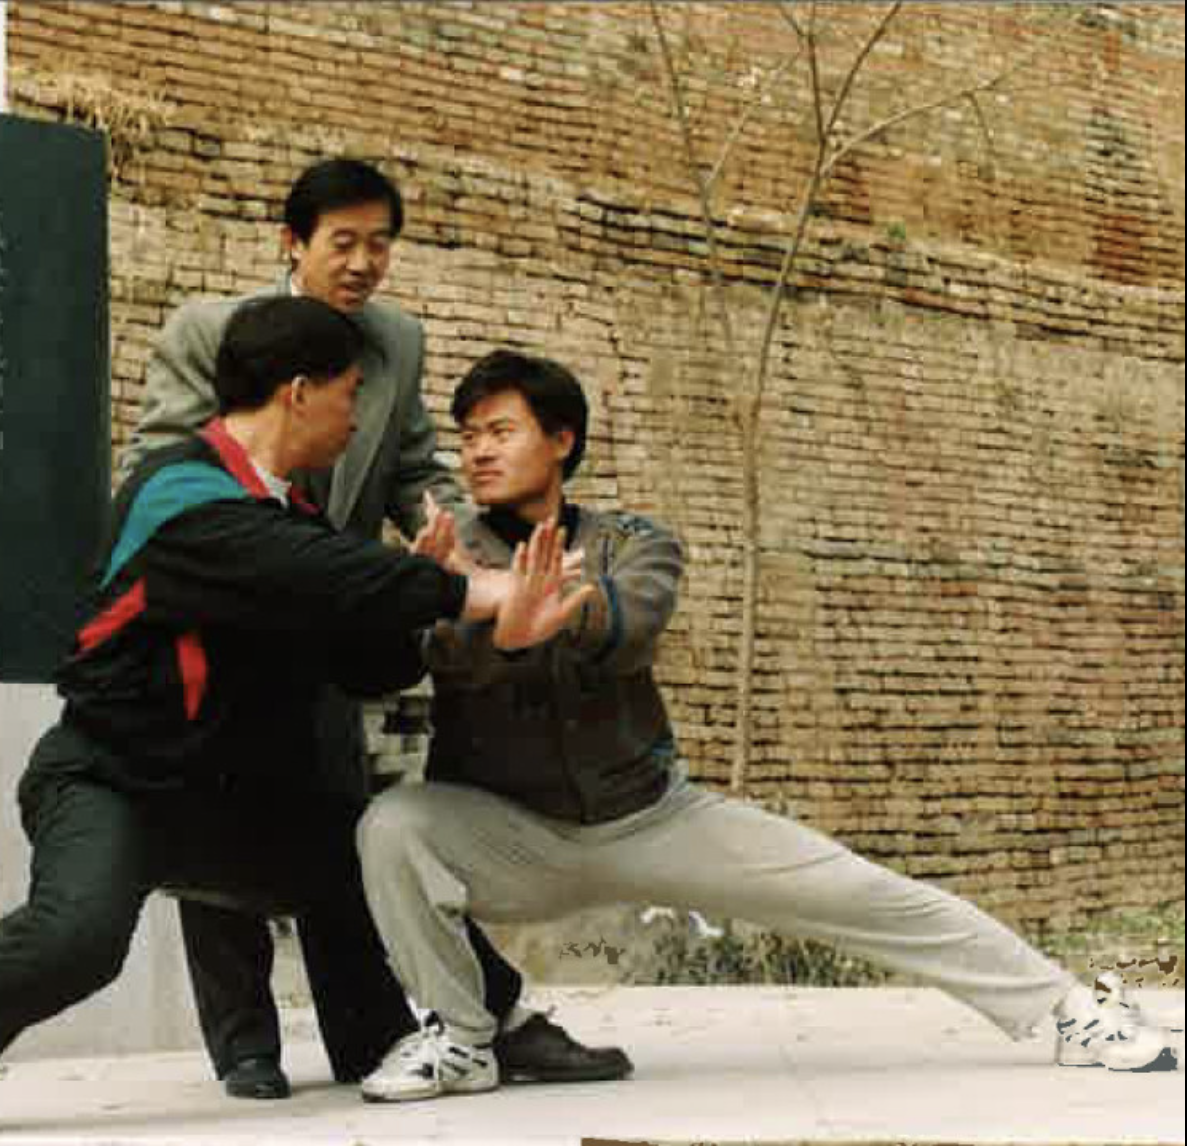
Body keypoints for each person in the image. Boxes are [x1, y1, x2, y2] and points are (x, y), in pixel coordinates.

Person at [0, 297, 588, 1137]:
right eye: (349, 394)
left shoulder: (292, 520)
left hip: (229, 803)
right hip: (109, 781)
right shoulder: (180, 493)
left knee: (374, 853)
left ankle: (485, 1027)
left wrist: (422, 615)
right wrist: (475, 592)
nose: (358, 419)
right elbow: (305, 571)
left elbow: (357, 657)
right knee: (81, 936)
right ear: (299, 392)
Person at [354, 349, 1180, 1103]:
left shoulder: (634, 541)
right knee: (393, 825)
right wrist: (471, 608)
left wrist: (529, 608)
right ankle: (464, 1039)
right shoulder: (442, 550)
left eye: (501, 431)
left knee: (866, 894)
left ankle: (1072, 1011)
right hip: (513, 834)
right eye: (467, 438)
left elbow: (630, 627)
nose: (478, 453)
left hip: (650, 818)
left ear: (561, 440)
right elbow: (442, 660)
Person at [122, 156, 629, 1099]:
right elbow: (163, 464)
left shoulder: (395, 342)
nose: (363, 262)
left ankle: (378, 1036)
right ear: (293, 244)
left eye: (380, 243)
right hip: (224, 623)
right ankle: (244, 1048)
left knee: (345, 822)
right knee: (217, 808)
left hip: (331, 627)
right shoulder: (208, 334)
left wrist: (470, 560)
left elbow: (410, 469)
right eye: (342, 242)